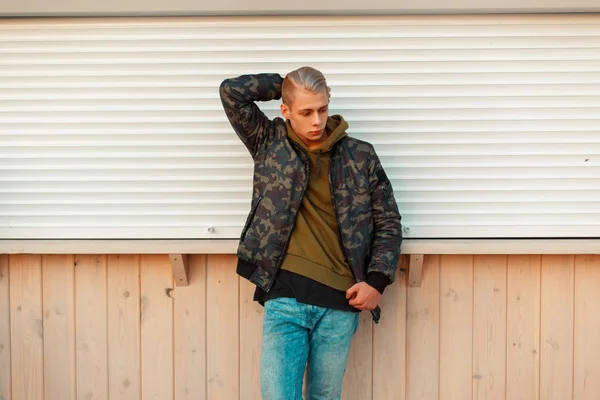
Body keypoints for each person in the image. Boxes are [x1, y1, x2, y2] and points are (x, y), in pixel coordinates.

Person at [219, 66, 402, 400]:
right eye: (305, 112)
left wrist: (377, 281)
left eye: (322, 109)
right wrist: (285, 85)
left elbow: (388, 222)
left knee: (324, 396)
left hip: (340, 300)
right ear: (286, 111)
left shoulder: (360, 156)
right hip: (284, 295)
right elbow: (232, 91)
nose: (316, 120)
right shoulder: (269, 141)